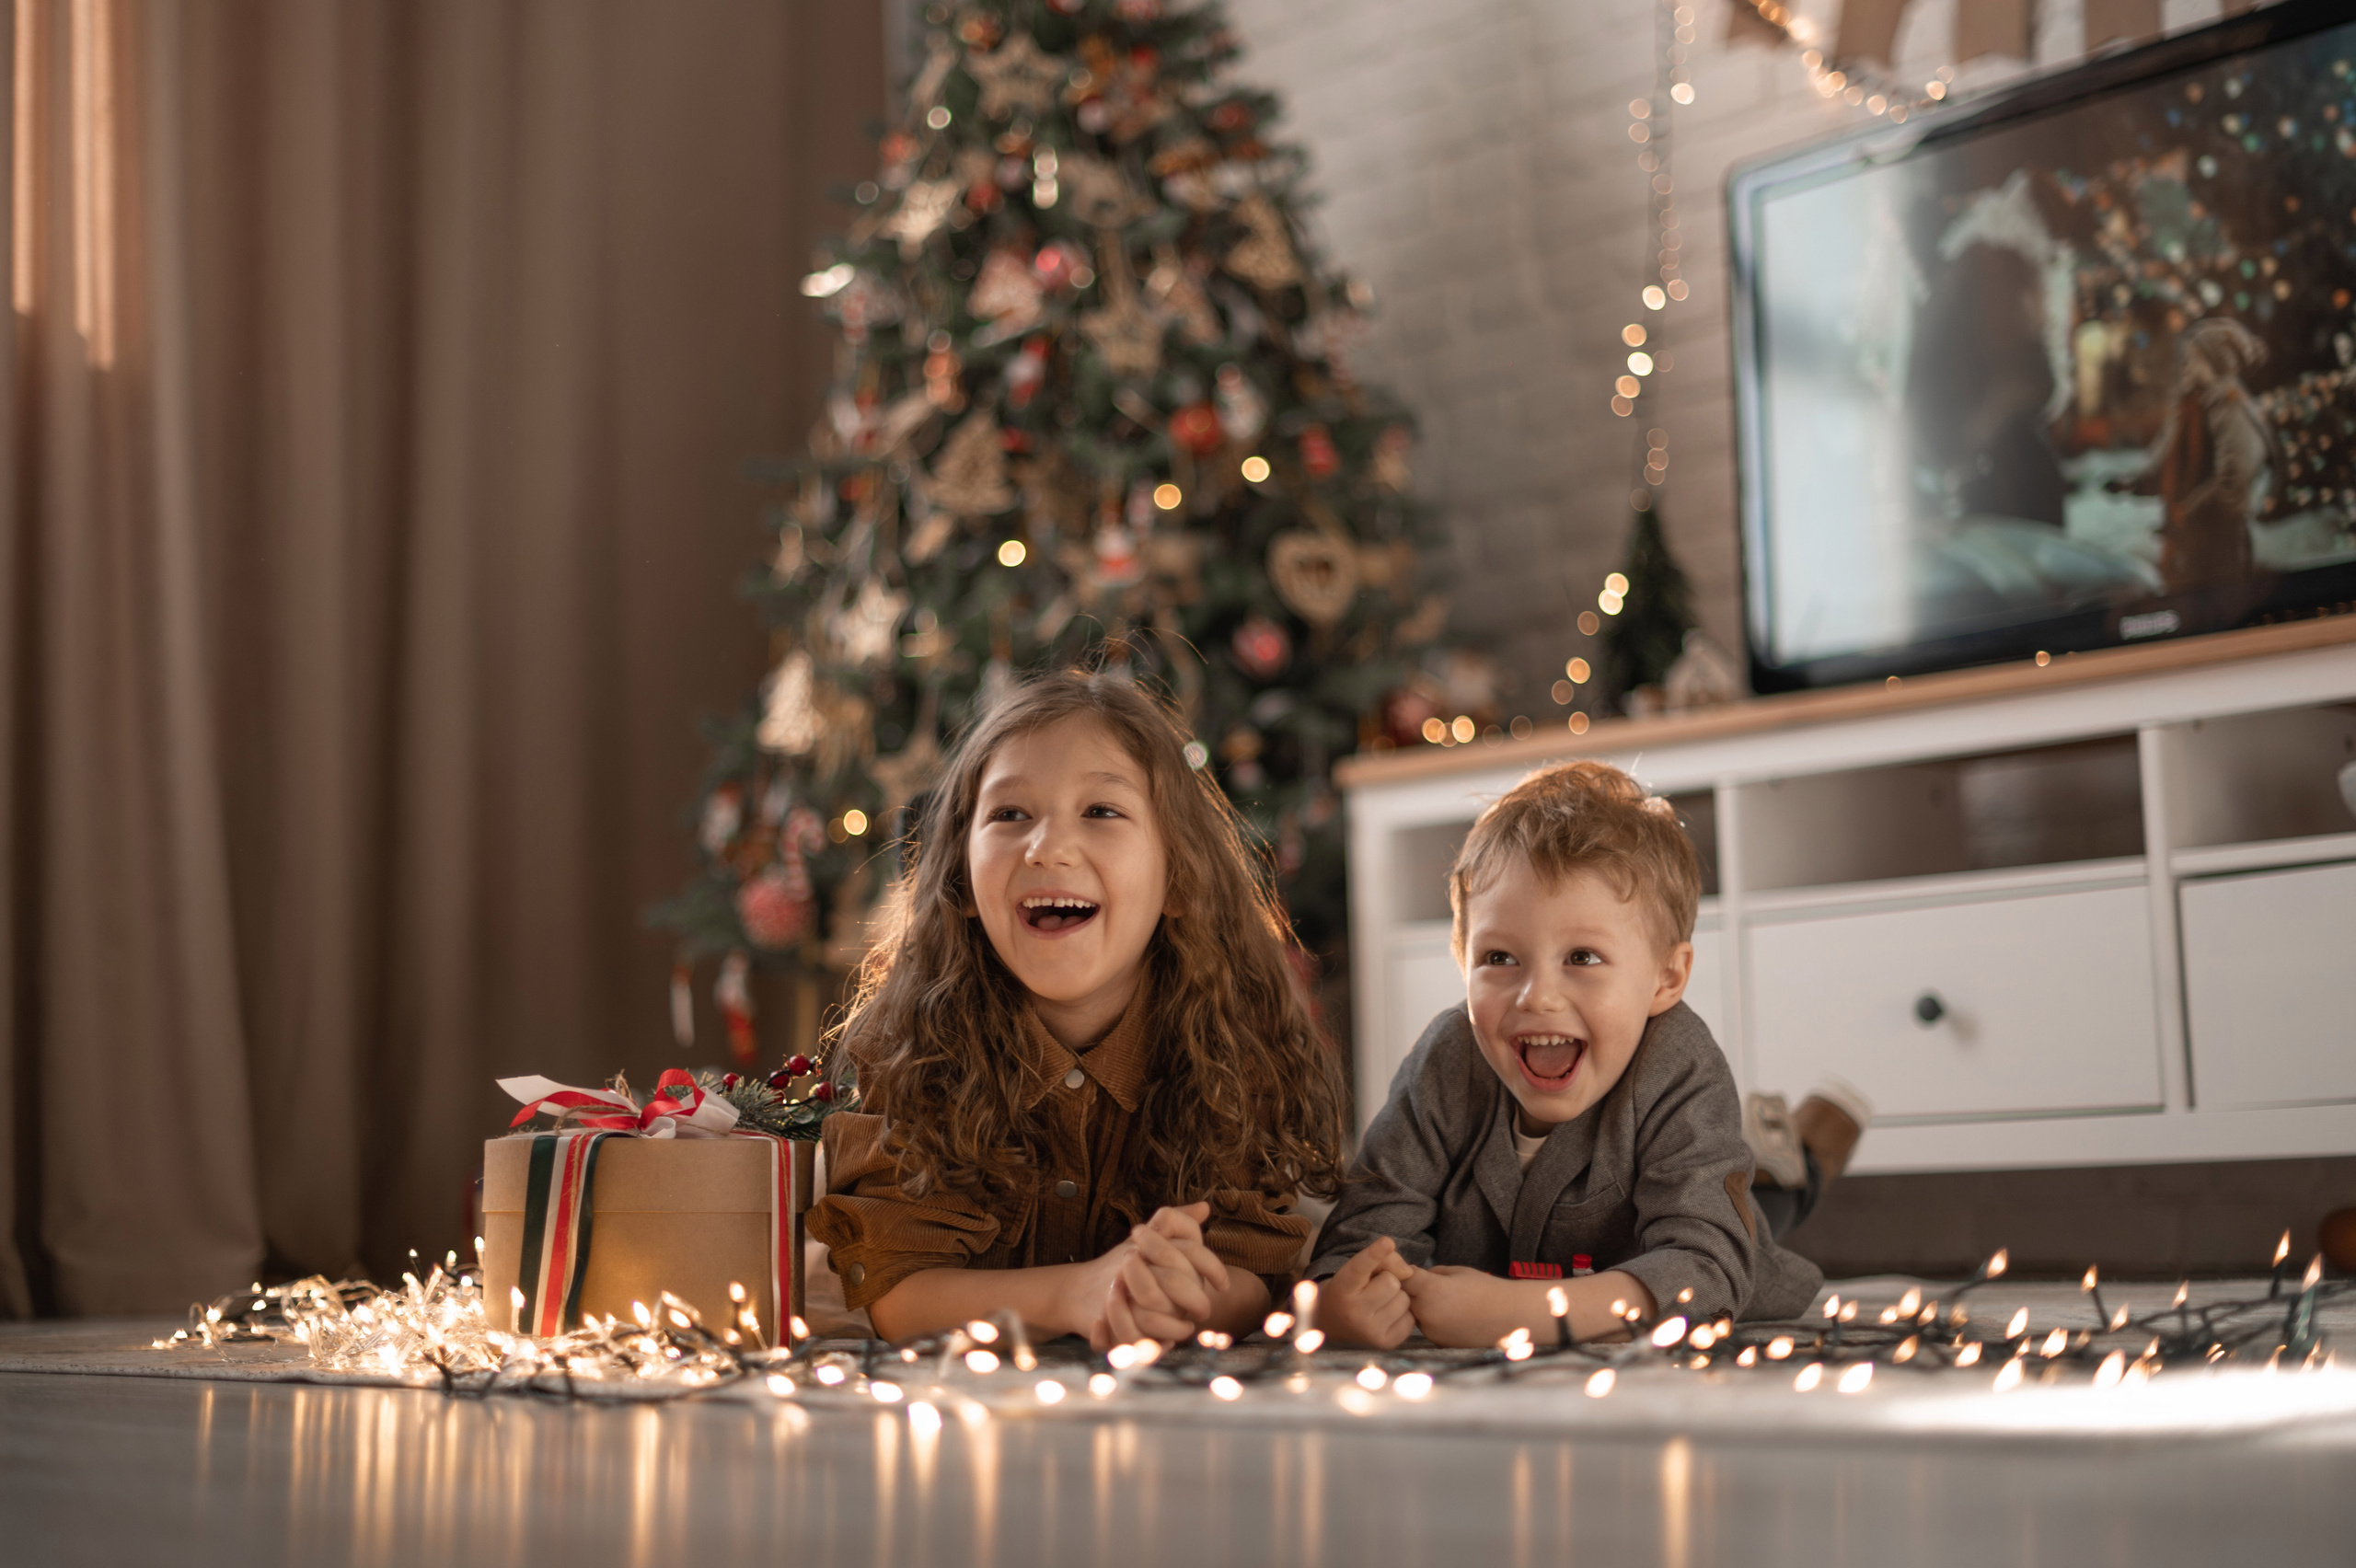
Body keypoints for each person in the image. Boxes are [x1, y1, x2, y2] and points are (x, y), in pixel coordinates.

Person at [807, 668, 1346, 1348]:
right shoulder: (911, 1048)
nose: (1048, 847)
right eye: (1010, 815)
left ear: (1178, 877)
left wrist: (1183, 1299)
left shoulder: (1238, 1044)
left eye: (1101, 811)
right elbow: (898, 1293)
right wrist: (1080, 1294)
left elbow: (1253, 1267)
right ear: (961, 882)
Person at [1308, 760, 1865, 1349]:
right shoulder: (1445, 1063)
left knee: (1760, 1211)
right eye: (1499, 958)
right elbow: (1359, 1237)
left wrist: (1531, 1313)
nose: (1537, 996)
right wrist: (1335, 1304)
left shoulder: (1681, 1067)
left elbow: (1706, 1266)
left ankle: (1800, 1154)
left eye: (1582, 958)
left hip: (1706, 1219)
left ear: (1666, 978)